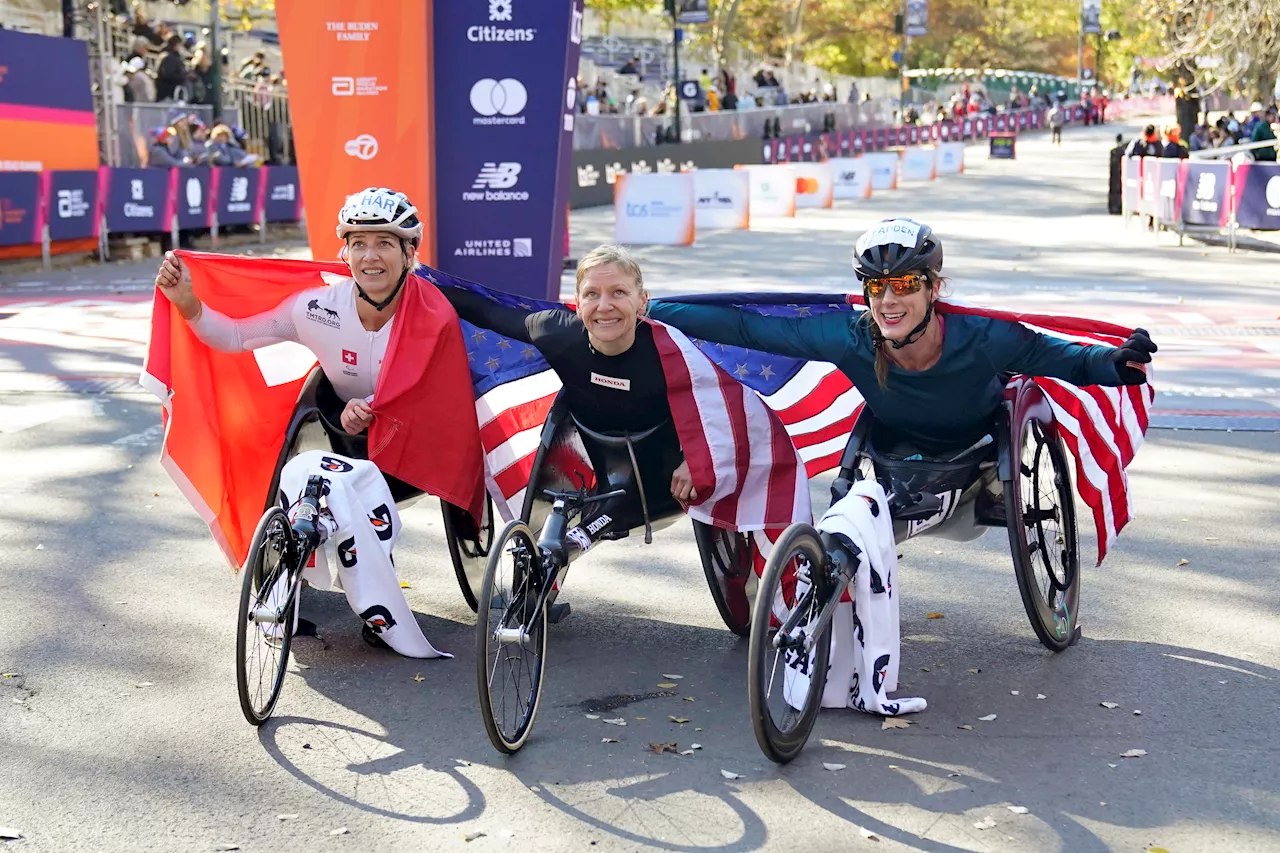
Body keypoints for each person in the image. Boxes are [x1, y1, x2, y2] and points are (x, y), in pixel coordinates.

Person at [646, 219, 1156, 460]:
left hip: (976, 439)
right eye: (876, 287)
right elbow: (743, 327)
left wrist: (1116, 363)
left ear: (933, 288)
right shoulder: (847, 336)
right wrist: (644, 311)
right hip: (895, 442)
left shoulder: (985, 337)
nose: (889, 300)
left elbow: (1061, 357)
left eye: (907, 284)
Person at [440, 245, 696, 562]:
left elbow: (729, 402)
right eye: (592, 295)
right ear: (577, 304)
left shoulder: (672, 348)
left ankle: (580, 536)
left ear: (643, 301)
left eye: (618, 292)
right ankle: (550, 561)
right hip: (593, 461)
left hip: (667, 477)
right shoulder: (557, 331)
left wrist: (700, 458)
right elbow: (485, 311)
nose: (604, 306)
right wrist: (406, 279)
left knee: (619, 505)